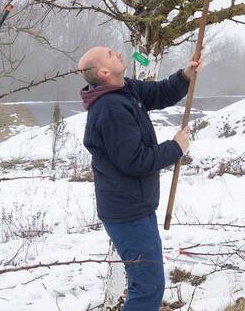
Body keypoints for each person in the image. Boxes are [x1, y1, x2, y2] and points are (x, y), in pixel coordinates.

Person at [78, 46, 201, 310]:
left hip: (138, 207)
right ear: (103, 71)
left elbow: (159, 93)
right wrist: (175, 148)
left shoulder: (125, 89)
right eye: (110, 54)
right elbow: (136, 161)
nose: (118, 53)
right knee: (147, 288)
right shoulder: (110, 109)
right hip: (127, 214)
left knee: (148, 285)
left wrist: (184, 76)